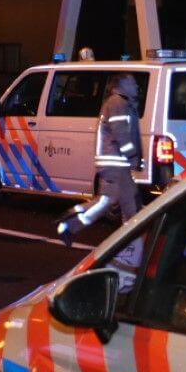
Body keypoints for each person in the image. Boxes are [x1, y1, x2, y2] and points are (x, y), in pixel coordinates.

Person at [57, 73, 143, 246]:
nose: (136, 86)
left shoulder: (123, 104)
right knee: (108, 202)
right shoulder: (117, 103)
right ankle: (68, 224)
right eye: (132, 83)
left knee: (130, 206)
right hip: (115, 164)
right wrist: (133, 156)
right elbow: (121, 134)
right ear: (121, 85)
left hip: (118, 165)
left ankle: (132, 245)